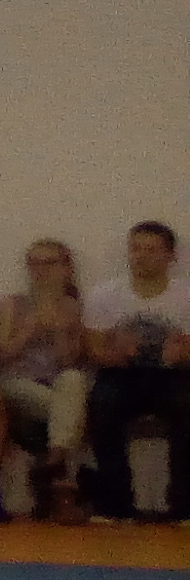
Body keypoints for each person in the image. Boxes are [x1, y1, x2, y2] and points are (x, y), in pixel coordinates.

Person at [81, 220, 187, 523]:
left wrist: (182, 355)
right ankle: (115, 504)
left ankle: (184, 506)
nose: (141, 256)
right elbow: (94, 349)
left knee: (187, 406)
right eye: (136, 248)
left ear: (170, 256)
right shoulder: (105, 295)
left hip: (173, 374)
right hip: (122, 373)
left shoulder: (186, 295)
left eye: (151, 250)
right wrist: (113, 353)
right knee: (102, 404)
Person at [0, 238, 90, 523]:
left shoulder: (75, 307)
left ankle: (54, 459)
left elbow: (71, 362)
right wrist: (28, 330)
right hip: (16, 384)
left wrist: (59, 331)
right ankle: (60, 471)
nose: (40, 270)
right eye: (34, 263)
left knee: (73, 380)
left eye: (49, 263)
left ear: (66, 268)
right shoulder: (12, 304)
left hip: (58, 385)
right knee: (71, 410)